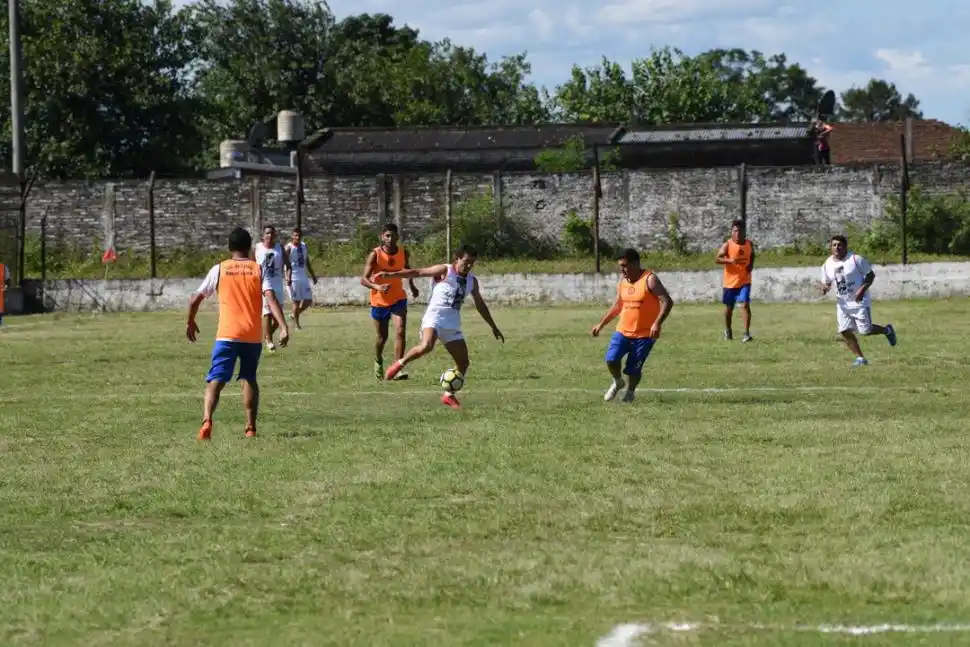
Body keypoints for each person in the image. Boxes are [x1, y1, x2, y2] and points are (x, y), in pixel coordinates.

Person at [186, 227, 289, 440]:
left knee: (215, 380)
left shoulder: (220, 269)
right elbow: (271, 299)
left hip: (227, 334)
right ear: (249, 246)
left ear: (230, 247)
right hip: (251, 335)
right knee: (249, 379)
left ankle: (207, 420)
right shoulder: (258, 270)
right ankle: (250, 427)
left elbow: (194, 299)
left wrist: (190, 321)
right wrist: (284, 326)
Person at [377, 245, 504, 408]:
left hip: (452, 324)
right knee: (427, 346)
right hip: (434, 317)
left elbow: (480, 305)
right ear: (457, 259)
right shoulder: (445, 270)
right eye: (466, 261)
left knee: (463, 363)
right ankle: (400, 363)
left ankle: (449, 395)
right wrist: (390, 274)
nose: (469, 266)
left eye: (472, 263)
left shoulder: (472, 281)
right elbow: (418, 272)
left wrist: (493, 326)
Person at [591, 248, 674, 402]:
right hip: (622, 331)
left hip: (644, 335)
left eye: (624, 266)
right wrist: (601, 324)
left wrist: (657, 323)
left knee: (633, 369)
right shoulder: (622, 283)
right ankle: (617, 381)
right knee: (611, 359)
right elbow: (617, 306)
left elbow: (667, 301)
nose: (621, 270)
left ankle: (630, 392)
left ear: (635, 264)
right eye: (620, 266)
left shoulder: (650, 279)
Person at [819, 234, 897, 366]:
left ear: (845, 246)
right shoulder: (827, 264)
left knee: (865, 331)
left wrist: (861, 290)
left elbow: (870, 275)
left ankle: (887, 330)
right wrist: (825, 288)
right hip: (843, 303)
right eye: (834, 245)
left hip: (860, 301)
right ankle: (860, 358)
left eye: (840, 245)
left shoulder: (855, 259)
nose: (837, 247)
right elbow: (827, 282)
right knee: (844, 330)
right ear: (830, 247)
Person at [359, 223, 419, 380]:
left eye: (393, 236)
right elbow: (363, 280)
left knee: (400, 330)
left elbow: (407, 270)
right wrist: (377, 287)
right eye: (387, 236)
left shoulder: (403, 252)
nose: (390, 239)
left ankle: (397, 368)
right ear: (382, 237)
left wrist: (412, 286)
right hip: (379, 301)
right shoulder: (375, 255)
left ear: (398, 237)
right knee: (382, 337)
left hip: (398, 298)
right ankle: (378, 359)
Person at [716, 219, 755, 342]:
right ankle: (728, 330)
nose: (737, 233)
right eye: (735, 231)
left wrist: (751, 265)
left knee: (745, 305)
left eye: (739, 231)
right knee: (729, 308)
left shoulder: (749, 244)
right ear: (731, 232)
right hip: (730, 283)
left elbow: (752, 254)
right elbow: (717, 259)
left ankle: (747, 334)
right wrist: (730, 261)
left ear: (744, 232)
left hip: (744, 280)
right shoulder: (727, 245)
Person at [254, 225, 290, 351]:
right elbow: (251, 265)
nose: (270, 236)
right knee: (267, 312)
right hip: (265, 283)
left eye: (272, 234)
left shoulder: (279, 248)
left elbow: (288, 264)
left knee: (276, 315)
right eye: (267, 233)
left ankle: (267, 335)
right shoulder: (257, 248)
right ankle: (271, 340)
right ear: (263, 236)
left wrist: (288, 276)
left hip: (277, 283)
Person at [284, 227, 317, 329]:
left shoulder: (303, 246)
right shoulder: (288, 248)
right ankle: (297, 324)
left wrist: (313, 275)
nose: (297, 237)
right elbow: (283, 262)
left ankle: (294, 315)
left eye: (299, 235)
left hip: (303, 277)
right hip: (293, 278)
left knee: (308, 301)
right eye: (295, 235)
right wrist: (286, 276)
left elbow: (307, 261)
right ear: (292, 236)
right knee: (296, 302)